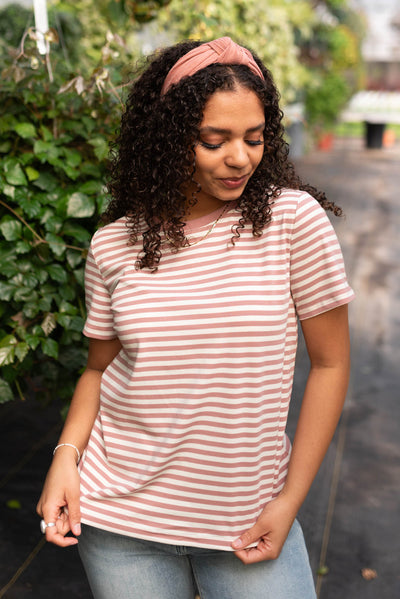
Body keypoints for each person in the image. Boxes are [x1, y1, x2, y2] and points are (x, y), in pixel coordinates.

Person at [37, 37, 354, 599]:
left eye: (254, 138)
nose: (240, 158)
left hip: (248, 522)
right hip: (120, 524)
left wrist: (289, 500)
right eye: (215, 140)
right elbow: (97, 372)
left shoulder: (290, 222)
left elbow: (330, 365)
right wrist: (65, 461)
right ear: (168, 139)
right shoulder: (113, 245)